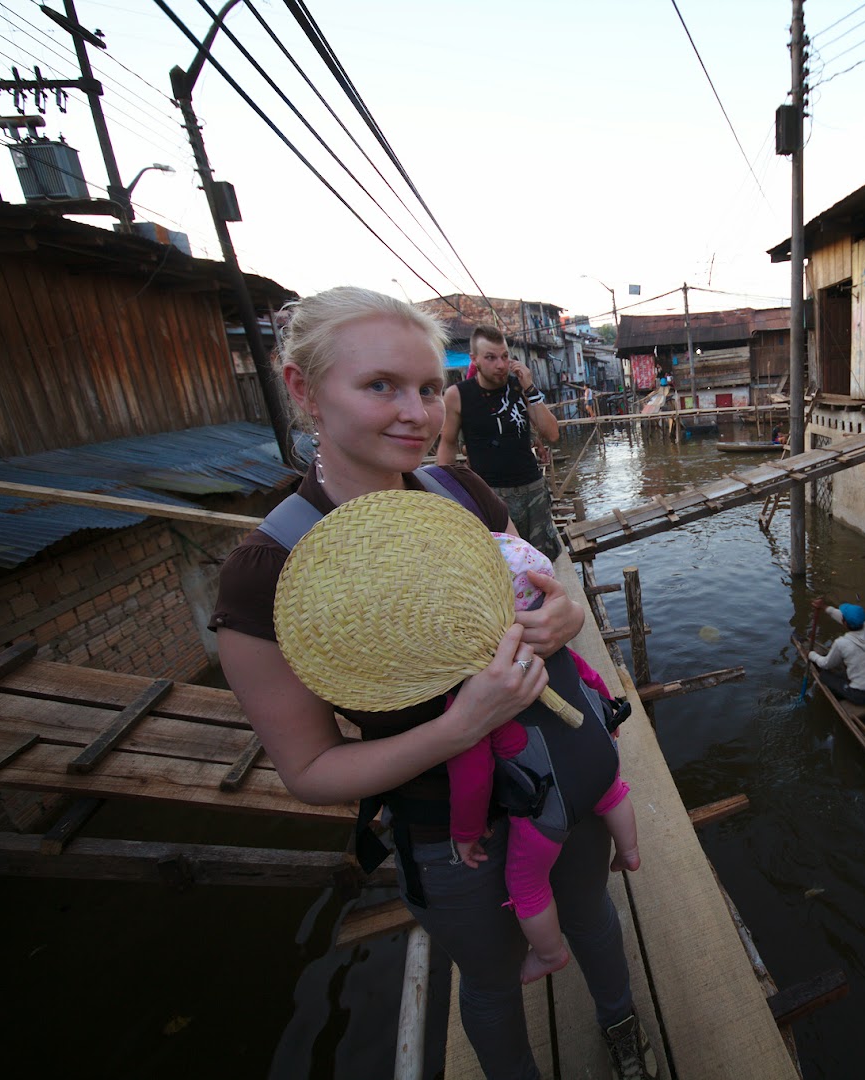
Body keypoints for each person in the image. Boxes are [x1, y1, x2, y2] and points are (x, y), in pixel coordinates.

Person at [210, 287, 657, 1080]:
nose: (415, 412)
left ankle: (624, 1024)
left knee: (590, 911)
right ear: (302, 389)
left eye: (424, 387)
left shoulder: (461, 493)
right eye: (379, 386)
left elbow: (538, 584)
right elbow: (311, 772)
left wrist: (563, 619)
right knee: (489, 981)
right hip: (459, 840)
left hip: (562, 776)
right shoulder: (268, 574)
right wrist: (458, 728)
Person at [447, 533, 641, 986]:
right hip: (599, 759)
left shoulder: (478, 688)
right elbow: (593, 681)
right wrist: (607, 718)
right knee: (615, 794)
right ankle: (629, 852)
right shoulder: (557, 651)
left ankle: (550, 952)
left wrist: (466, 833)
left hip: (549, 804)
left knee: (526, 882)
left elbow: (472, 775)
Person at [438, 325, 564, 559]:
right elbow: (447, 444)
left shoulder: (520, 387)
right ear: (474, 360)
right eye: (491, 358)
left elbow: (552, 433)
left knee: (543, 562)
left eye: (505, 356)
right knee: (500, 564)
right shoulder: (458, 395)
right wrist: (446, 495)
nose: (500, 364)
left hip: (532, 490)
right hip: (489, 496)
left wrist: (529, 387)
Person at [807, 599, 865, 705]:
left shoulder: (842, 643)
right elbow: (842, 617)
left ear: (845, 623)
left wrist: (811, 655)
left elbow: (826, 664)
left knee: (824, 676)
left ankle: (841, 697)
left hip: (862, 695)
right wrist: (824, 607)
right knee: (843, 672)